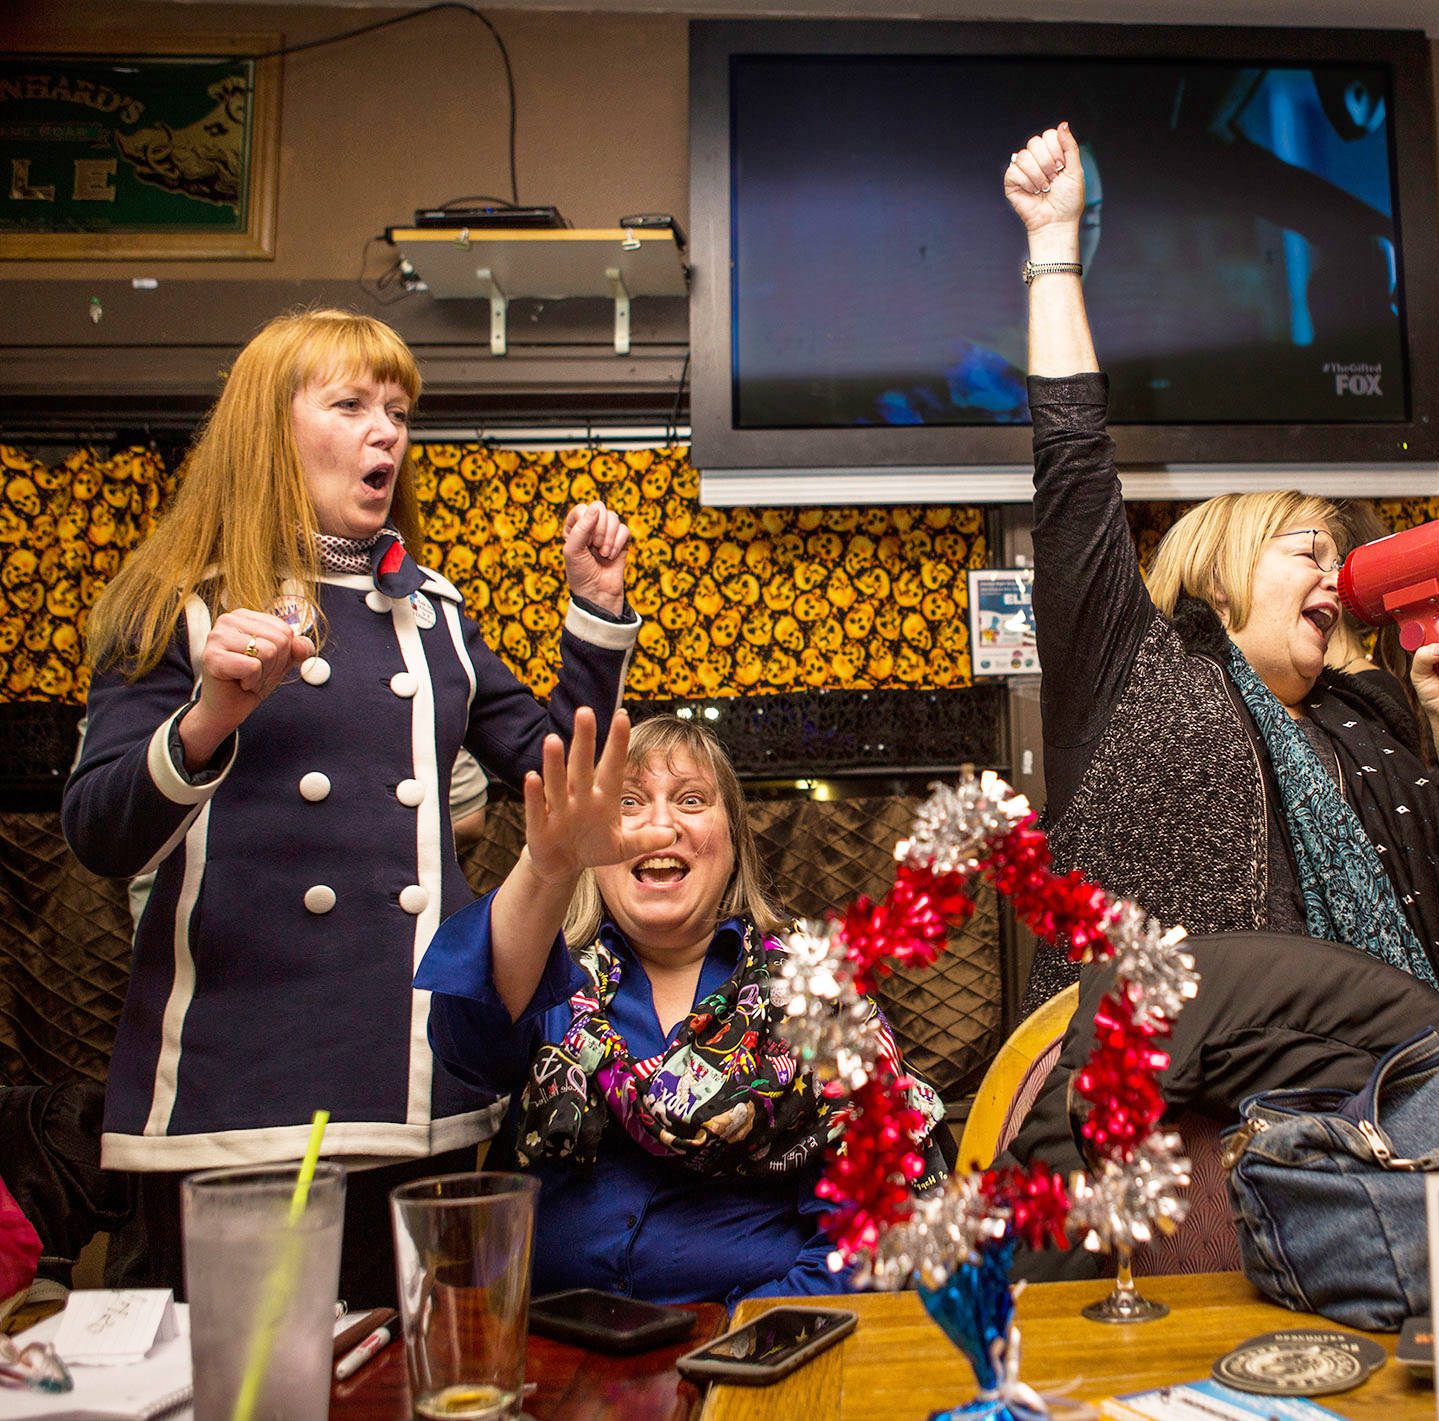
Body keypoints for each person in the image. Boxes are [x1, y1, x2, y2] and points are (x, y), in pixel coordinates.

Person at [62, 309, 642, 1300]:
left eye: (398, 411)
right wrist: (209, 717)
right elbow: (99, 834)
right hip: (232, 1105)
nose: (387, 432)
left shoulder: (435, 613)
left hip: (419, 1100)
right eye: (350, 404)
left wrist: (594, 609)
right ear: (269, 431)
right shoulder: (176, 605)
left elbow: (564, 774)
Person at [1005, 123, 1439, 1019]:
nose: (1335, 578)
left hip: (1390, 1092)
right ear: (1221, 572)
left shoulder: (1369, 718)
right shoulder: (1135, 680)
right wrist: (1054, 248)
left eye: (1339, 560)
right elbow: (1073, 463)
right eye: (1307, 551)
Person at [418, 709, 945, 1304]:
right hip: (553, 1354)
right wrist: (546, 870)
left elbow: (862, 1235)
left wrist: (741, 1342)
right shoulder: (548, 980)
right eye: (628, 803)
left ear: (733, 840)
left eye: (691, 800)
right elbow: (467, 1044)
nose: (661, 826)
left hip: (754, 1353)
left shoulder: (817, 995)